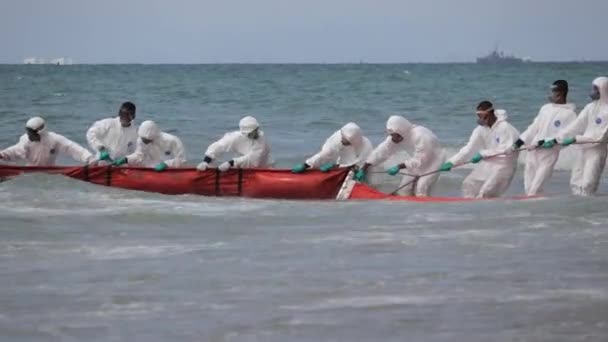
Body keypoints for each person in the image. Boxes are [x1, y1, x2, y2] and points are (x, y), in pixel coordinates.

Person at [440, 102, 520, 198]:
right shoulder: (480, 129)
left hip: (504, 165)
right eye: (478, 116)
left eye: (482, 116)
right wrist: (451, 162)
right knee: (469, 184)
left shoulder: (505, 128)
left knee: (486, 192)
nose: (480, 119)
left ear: (491, 114)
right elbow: (469, 148)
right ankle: (469, 208)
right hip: (488, 162)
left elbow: (507, 149)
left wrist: (482, 154)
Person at [512, 80, 577, 195]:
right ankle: (534, 210)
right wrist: (519, 141)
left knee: (536, 187)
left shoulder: (570, 114)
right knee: (528, 186)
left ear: (560, 93)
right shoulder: (545, 108)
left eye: (553, 92)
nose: (550, 94)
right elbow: (533, 127)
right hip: (533, 151)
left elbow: (567, 136)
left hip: (549, 153)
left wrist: (549, 141)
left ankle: (537, 202)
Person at [355, 115, 445, 197]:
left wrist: (399, 167)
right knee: (404, 190)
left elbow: (421, 160)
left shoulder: (421, 136)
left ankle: (424, 210)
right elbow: (381, 152)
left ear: (402, 131)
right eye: (392, 136)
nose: (394, 139)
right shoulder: (397, 137)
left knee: (421, 187)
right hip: (416, 160)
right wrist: (364, 167)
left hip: (434, 161)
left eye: (396, 136)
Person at [555, 77, 608, 196]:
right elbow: (576, 126)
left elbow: (599, 138)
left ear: (603, 90)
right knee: (575, 181)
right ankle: (578, 210)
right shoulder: (590, 107)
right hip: (582, 149)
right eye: (593, 88)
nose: (593, 91)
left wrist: (575, 139)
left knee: (589, 182)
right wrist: (557, 139)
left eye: (596, 88)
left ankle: (589, 211)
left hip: (596, 152)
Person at [0, 117, 94, 166]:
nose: (29, 135)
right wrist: (2, 154)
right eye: (28, 132)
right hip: (30, 173)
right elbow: (15, 151)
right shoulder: (25, 140)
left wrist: (89, 158)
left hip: (50, 172)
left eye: (31, 133)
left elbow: (72, 148)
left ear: (40, 132)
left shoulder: (55, 139)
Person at [197, 116, 271, 171]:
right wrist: (206, 161)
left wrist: (231, 163)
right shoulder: (235, 137)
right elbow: (218, 146)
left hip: (263, 168)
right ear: (244, 133)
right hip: (242, 168)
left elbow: (253, 159)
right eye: (252, 133)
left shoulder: (261, 138)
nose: (256, 134)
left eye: (256, 130)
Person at [292, 122, 373, 173]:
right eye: (343, 138)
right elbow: (325, 154)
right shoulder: (337, 138)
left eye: (346, 141)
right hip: (344, 162)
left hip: (356, 163)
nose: (342, 141)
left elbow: (360, 163)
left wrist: (360, 169)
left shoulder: (366, 146)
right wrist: (306, 164)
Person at [112, 120, 186, 171]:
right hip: (151, 170)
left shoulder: (172, 140)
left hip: (169, 170)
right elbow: (139, 156)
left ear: (154, 136)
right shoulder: (141, 140)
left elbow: (182, 160)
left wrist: (167, 164)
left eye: (147, 140)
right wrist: (126, 159)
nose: (145, 142)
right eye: (143, 139)